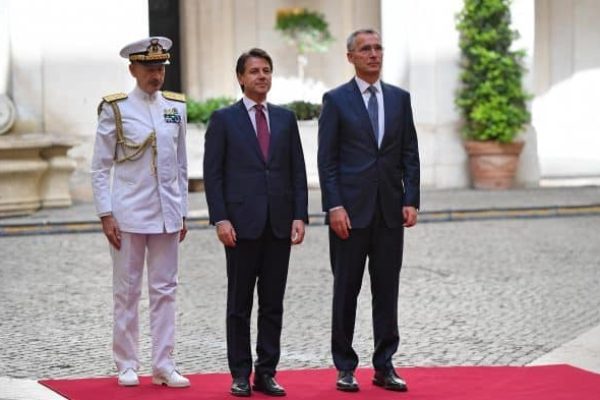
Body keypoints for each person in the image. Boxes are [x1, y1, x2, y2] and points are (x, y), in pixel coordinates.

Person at [317, 28, 420, 393]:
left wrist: (411, 199)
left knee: (386, 290)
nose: (374, 54)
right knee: (346, 289)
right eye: (365, 49)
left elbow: (409, 152)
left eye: (378, 48)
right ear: (351, 57)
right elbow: (326, 161)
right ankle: (345, 365)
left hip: (389, 212)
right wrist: (335, 206)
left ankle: (384, 364)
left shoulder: (399, 99)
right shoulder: (336, 100)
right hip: (349, 214)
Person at [203, 48, 308, 397]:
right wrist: (220, 218)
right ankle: (239, 373)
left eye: (266, 70)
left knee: (273, 303)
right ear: (240, 78)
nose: (261, 76)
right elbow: (213, 174)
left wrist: (299, 215)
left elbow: (297, 170)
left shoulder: (285, 118)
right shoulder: (223, 120)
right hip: (241, 224)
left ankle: (266, 372)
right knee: (239, 304)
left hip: (279, 223)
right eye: (254, 71)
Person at [91, 36, 190, 388]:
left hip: (166, 212)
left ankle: (164, 363)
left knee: (165, 290)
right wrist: (106, 213)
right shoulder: (115, 109)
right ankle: (127, 363)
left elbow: (180, 164)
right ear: (132, 69)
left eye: (161, 68)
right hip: (129, 213)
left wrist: (182, 212)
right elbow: (101, 167)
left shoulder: (175, 107)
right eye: (149, 68)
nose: (156, 74)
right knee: (127, 290)